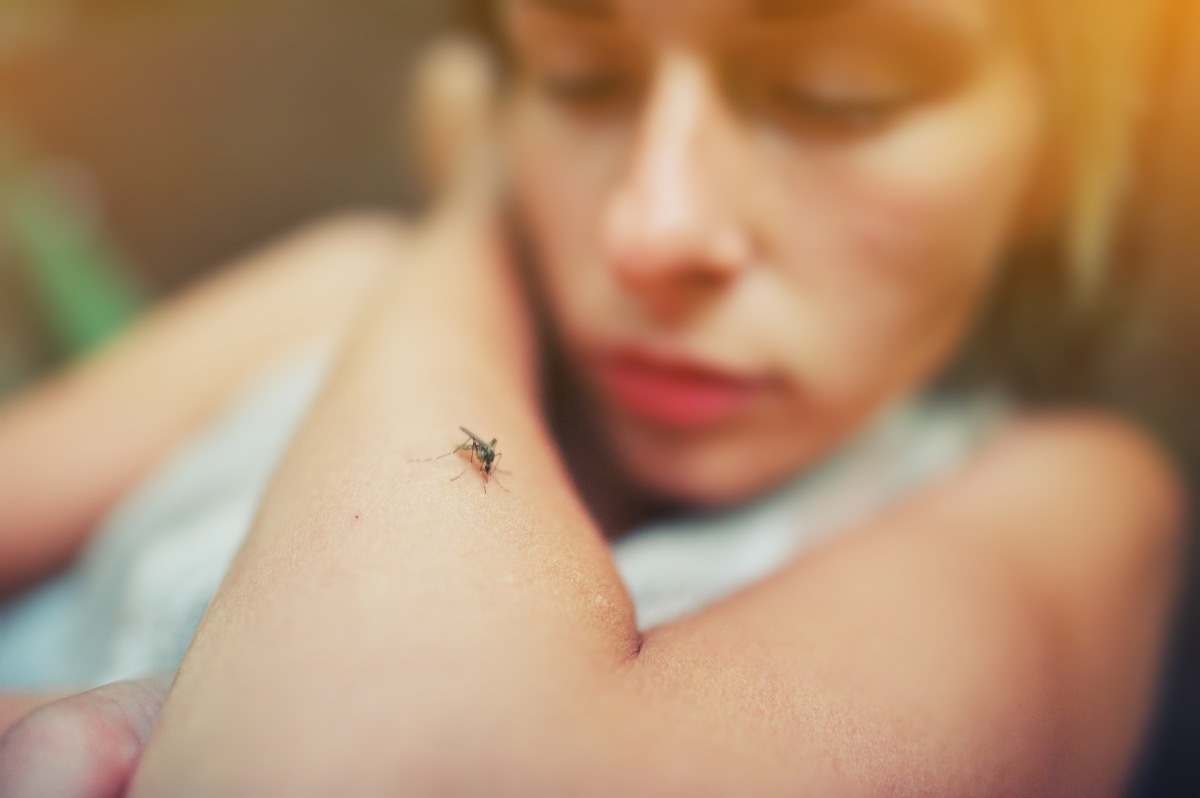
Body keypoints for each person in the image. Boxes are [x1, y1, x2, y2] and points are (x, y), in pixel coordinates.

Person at [0, 0, 1184, 795]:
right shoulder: (338, 287)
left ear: (1055, 151)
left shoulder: (1065, 495)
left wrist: (470, 207)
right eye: (579, 79)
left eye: (841, 94)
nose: (654, 228)